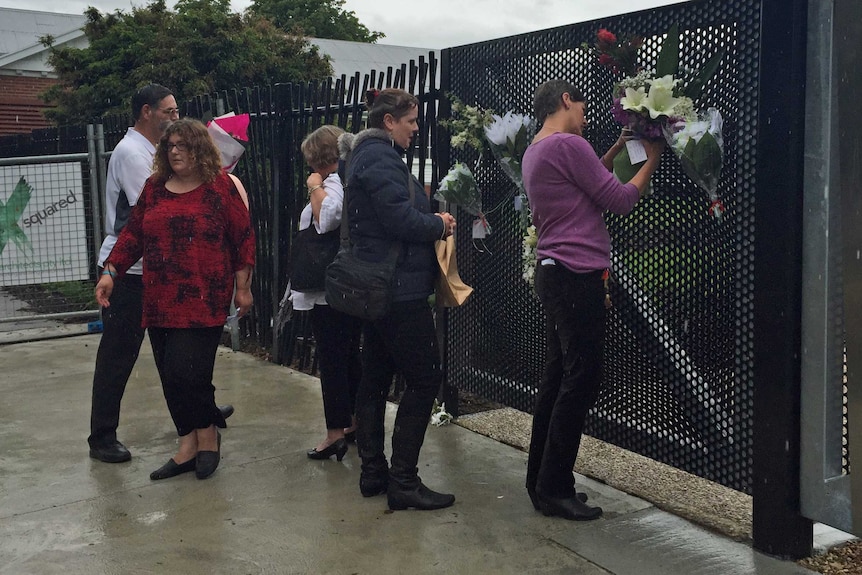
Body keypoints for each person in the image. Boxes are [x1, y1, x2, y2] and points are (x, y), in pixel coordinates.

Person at [523, 80, 664, 521]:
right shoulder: (569, 145)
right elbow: (619, 200)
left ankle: (542, 481)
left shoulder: (538, 148)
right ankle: (555, 486)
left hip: (553, 273)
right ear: (566, 100)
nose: (586, 117)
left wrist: (612, 153)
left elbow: (582, 190)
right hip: (576, 275)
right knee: (582, 378)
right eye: (582, 106)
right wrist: (652, 159)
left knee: (557, 377)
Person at [95, 118, 255, 481]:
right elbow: (133, 233)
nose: (175, 152)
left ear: (200, 149)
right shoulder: (155, 188)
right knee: (170, 376)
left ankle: (209, 436)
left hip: (205, 295)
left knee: (188, 372)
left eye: (183, 145)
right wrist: (111, 272)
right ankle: (188, 445)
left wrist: (243, 287)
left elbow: (243, 239)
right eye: (170, 146)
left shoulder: (220, 188)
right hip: (160, 297)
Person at [345, 88, 457, 511]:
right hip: (397, 290)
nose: (415, 129)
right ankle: (403, 480)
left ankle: (374, 471)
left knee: (375, 375)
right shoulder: (378, 157)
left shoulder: (367, 155)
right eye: (411, 121)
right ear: (389, 121)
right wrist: (438, 222)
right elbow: (398, 218)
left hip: (379, 286)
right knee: (426, 378)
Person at [290, 125, 362, 461]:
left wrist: (315, 186)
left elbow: (327, 220)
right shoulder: (345, 180)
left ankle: (335, 432)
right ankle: (352, 422)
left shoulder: (331, 182)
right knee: (346, 354)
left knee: (332, 358)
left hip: (328, 286)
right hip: (341, 283)